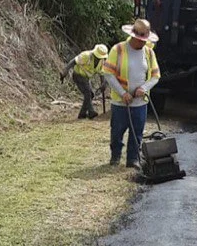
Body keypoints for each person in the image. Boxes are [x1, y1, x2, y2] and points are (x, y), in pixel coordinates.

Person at [102, 19, 160, 167]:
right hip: (120, 102)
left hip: (140, 103)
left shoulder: (149, 52)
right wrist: (122, 93)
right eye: (140, 40)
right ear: (133, 36)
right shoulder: (118, 49)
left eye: (144, 40)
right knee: (117, 132)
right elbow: (108, 73)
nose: (142, 43)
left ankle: (132, 159)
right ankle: (115, 156)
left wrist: (144, 88)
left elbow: (155, 76)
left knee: (137, 132)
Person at [61, 43, 109, 119]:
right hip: (78, 75)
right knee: (87, 93)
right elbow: (73, 62)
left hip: (86, 78)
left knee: (91, 95)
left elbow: (102, 73)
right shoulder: (86, 55)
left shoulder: (101, 62)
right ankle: (91, 112)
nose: (98, 59)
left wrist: (103, 84)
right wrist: (65, 71)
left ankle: (82, 114)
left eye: (100, 57)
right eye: (97, 57)